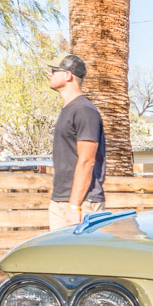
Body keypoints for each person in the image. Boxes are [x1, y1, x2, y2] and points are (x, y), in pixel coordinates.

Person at [46, 54, 106, 230]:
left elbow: (87, 161)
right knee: (58, 257)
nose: (50, 75)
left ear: (68, 75)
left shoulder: (84, 110)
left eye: (54, 71)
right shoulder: (68, 109)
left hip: (82, 204)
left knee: (82, 258)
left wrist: (74, 206)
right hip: (61, 200)